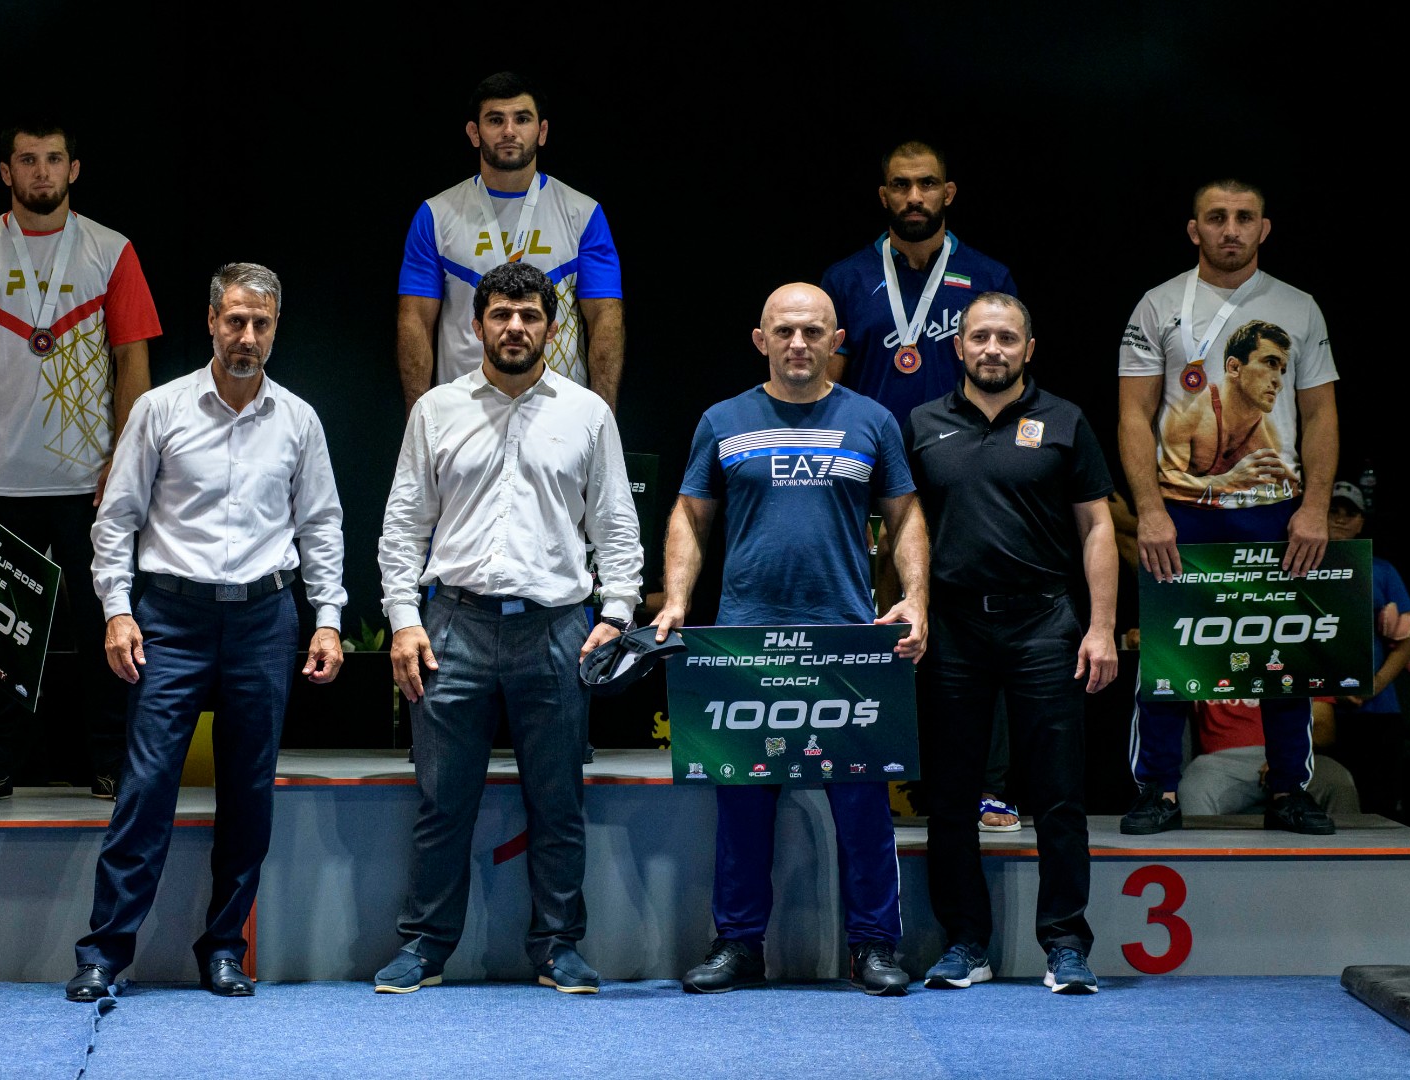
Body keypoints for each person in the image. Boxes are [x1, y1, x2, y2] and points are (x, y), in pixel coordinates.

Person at [65, 262, 346, 1002]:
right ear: (212, 322)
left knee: (249, 792)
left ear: (275, 330)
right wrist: (117, 610)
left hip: (264, 618)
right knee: (147, 786)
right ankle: (104, 953)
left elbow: (321, 527)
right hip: (171, 617)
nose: (246, 336)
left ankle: (224, 948)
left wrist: (328, 619)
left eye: (261, 323)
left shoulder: (299, 420)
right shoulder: (160, 409)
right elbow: (116, 520)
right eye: (235, 320)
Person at [652, 281, 929, 996]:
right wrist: (677, 600)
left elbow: (904, 515)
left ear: (837, 340)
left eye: (813, 331)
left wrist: (916, 600)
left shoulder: (871, 420)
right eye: (784, 331)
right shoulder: (722, 420)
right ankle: (739, 944)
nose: (799, 343)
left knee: (863, 808)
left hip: (848, 638)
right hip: (747, 639)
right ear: (761, 340)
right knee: (743, 804)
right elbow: (690, 515)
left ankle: (874, 946)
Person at [375, 261, 642, 995]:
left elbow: (616, 525)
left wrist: (616, 613)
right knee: (441, 803)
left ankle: (558, 948)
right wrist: (403, 619)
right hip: (451, 628)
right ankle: (425, 947)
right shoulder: (436, 410)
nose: (515, 327)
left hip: (557, 631)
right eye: (501, 314)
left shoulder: (588, 413)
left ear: (552, 329)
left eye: (529, 316)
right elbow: (403, 526)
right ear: (476, 325)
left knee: (558, 804)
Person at [0, 116, 161, 805]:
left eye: (53, 159)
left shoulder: (111, 251)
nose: (41, 173)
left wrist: (124, 460)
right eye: (27, 160)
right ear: (7, 172)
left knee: (104, 629)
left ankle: (111, 761)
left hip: (90, 483)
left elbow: (133, 362)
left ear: (74, 170)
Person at [906, 292, 1117, 994]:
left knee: (1058, 795)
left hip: (1043, 624)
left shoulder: (1065, 420)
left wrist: (1101, 627)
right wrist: (910, 607)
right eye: (980, 337)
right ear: (958, 346)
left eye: (1006, 338)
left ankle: (1066, 944)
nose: (992, 349)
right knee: (951, 797)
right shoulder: (922, 424)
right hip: (954, 627)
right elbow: (904, 528)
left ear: (1029, 348)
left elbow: (1097, 527)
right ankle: (966, 943)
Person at [1119, 177, 1339, 836]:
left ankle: (1289, 789)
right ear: (1195, 229)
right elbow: (1133, 413)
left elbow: (1319, 414)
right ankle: (1157, 790)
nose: (1231, 229)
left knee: (1283, 654)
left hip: (1274, 510)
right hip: (1182, 510)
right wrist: (1149, 509)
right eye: (1217, 217)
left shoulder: (1299, 307)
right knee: (1170, 653)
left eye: (1244, 217)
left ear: (1264, 229)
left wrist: (1315, 507)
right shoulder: (1158, 305)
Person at [820, 141, 1020, 832]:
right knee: (874, 634)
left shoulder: (987, 275)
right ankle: (862, 779)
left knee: (973, 635)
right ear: (883, 195)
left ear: (948, 193)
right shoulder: (847, 278)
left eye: (927, 184)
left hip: (962, 479)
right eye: (901, 185)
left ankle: (985, 787)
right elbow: (826, 388)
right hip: (871, 485)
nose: (914, 197)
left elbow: (1006, 376)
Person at [397, 70, 624, 415]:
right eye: (495, 120)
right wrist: (419, 421)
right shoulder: (436, 215)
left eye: (522, 119)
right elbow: (415, 321)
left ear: (542, 131)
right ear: (474, 133)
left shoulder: (583, 214)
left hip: (558, 414)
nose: (508, 131)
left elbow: (605, 318)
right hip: (462, 411)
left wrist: (602, 420)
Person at [1320, 480, 1410, 817]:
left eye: (1350, 513)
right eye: (1333, 510)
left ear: (1361, 522)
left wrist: (1374, 684)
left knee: (1380, 810)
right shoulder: (1301, 569)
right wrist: (1331, 688)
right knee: (1329, 810)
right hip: (1322, 713)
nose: (1341, 518)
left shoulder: (1382, 571)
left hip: (1377, 711)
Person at [1155, 320, 1291, 502]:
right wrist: (1226, 481)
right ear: (1234, 367)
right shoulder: (1190, 412)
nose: (1279, 382)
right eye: (1270, 363)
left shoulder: (1269, 437)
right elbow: (1165, 482)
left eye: (1282, 371)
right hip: (1183, 514)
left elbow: (1283, 490)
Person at [1178, 698, 1359, 816]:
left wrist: (1284, 756)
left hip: (1295, 754)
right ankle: (1199, 864)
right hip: (1222, 763)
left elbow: (1324, 729)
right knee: (1192, 788)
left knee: (1338, 780)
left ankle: (1348, 861)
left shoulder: (1298, 659)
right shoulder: (1204, 657)